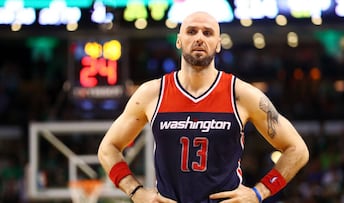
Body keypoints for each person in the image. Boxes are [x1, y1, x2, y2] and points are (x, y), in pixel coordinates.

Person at [98, 11, 309, 203]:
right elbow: (108, 149)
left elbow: (297, 150)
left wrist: (259, 192)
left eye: (208, 33)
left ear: (218, 43)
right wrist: (136, 192)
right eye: (191, 31)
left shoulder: (241, 94)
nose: (199, 37)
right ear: (179, 41)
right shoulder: (152, 93)